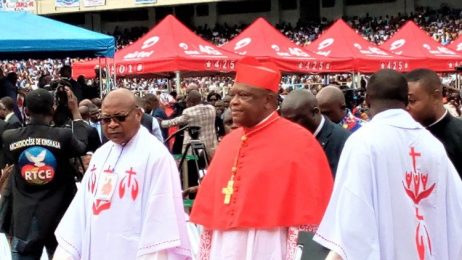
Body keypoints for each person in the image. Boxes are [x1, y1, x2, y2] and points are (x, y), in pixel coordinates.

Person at [190, 57, 333, 259]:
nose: (233, 102)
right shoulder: (228, 143)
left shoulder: (300, 142)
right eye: (233, 95)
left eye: (244, 95)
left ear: (268, 101)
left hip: (270, 244)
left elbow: (310, 215)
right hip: (225, 245)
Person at [314, 69, 462, 260]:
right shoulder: (433, 145)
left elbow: (352, 222)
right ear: (406, 101)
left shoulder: (363, 143)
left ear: (367, 100)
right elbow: (456, 213)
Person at [54, 88, 191, 260]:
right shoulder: (101, 155)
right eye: (105, 119)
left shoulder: (156, 157)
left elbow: (161, 223)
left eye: (120, 117)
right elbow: (80, 212)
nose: (112, 124)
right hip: (97, 247)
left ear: (138, 115)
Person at [0, 88, 88, 259]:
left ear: (25, 111)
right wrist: (75, 113)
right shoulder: (63, 136)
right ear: (52, 109)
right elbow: (82, 146)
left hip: (24, 219)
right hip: (59, 219)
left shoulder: (10, 136)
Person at [406, 68, 462, 177]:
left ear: (435, 97)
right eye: (404, 101)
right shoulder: (406, 135)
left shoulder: (458, 135)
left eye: (412, 101)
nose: (407, 107)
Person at [281, 89, 350, 175]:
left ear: (315, 113)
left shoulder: (344, 142)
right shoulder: (287, 140)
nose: (289, 126)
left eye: (294, 120)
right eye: (285, 121)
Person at [161, 90, 217, 156]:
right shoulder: (212, 109)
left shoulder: (188, 112)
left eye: (187, 102)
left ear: (191, 102)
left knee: (189, 164)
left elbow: (174, 122)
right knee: (209, 165)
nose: (186, 105)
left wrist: (161, 122)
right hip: (211, 148)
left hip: (192, 151)